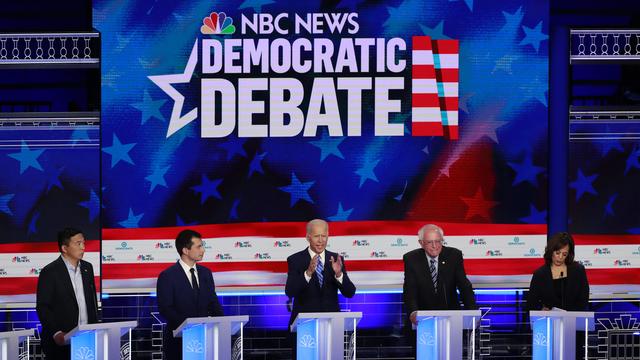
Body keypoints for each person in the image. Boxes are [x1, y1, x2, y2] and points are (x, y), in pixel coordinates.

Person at [285, 219, 356, 353]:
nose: (320, 240)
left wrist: (339, 274)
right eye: (317, 236)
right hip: (305, 329)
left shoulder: (335, 259)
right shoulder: (295, 260)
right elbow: (290, 291)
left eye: (324, 236)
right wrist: (308, 273)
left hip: (331, 326)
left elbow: (350, 292)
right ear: (308, 237)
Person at [156, 229, 224, 359]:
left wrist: (222, 324)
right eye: (199, 246)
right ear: (185, 250)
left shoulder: (206, 273)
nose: (203, 250)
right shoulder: (167, 276)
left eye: (202, 246)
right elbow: (166, 309)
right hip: (178, 343)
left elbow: (213, 304)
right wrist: (190, 326)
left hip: (205, 340)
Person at [36, 228, 99, 359]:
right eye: (78, 243)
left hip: (87, 340)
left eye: (84, 243)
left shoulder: (88, 268)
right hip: (62, 342)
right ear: (65, 248)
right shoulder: (50, 272)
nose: (83, 247)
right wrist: (56, 333)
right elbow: (43, 307)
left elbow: (91, 302)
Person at [403, 224, 477, 326]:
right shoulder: (411, 259)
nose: (435, 246)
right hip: (423, 318)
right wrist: (413, 312)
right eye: (429, 242)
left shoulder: (454, 255)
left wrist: (472, 312)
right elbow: (410, 290)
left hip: (451, 316)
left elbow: (464, 287)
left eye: (438, 241)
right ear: (421, 243)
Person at [527, 232, 590, 311]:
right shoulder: (540, 274)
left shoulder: (578, 270)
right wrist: (541, 309)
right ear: (551, 251)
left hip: (573, 320)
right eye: (557, 253)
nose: (560, 257)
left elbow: (583, 300)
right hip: (549, 320)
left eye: (564, 254)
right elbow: (531, 304)